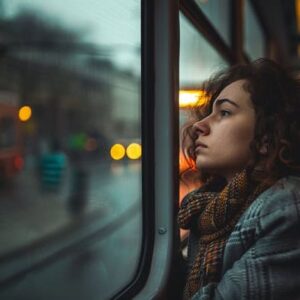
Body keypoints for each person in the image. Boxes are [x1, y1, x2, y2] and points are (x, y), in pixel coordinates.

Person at [178, 58, 300, 300]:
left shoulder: (285, 208)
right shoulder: (211, 207)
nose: (199, 126)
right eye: (209, 113)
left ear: (267, 137)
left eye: (224, 112)